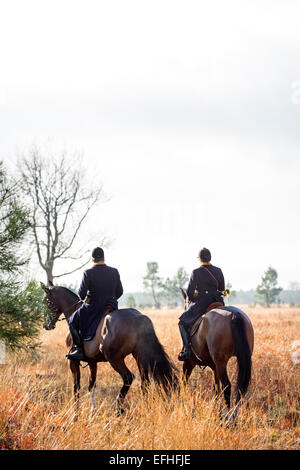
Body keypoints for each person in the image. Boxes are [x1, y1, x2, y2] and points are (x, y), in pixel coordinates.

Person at [66, 247, 123, 361]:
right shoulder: (114, 271)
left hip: (94, 307)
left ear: (92, 259)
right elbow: (120, 292)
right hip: (111, 306)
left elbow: (81, 295)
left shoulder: (88, 273)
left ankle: (79, 350)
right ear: (104, 258)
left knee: (72, 321)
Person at [178, 247, 225, 361]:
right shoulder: (218, 270)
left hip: (202, 303)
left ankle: (188, 350)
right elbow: (222, 288)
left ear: (199, 259)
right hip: (217, 302)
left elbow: (189, 293)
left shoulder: (196, 272)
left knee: (182, 322)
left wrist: (196, 296)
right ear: (210, 258)